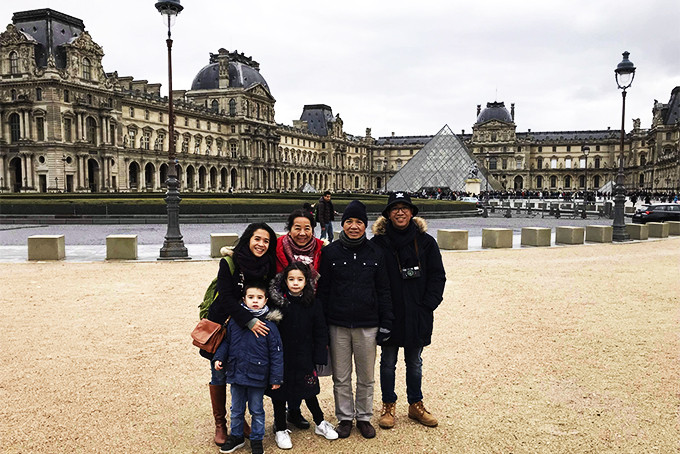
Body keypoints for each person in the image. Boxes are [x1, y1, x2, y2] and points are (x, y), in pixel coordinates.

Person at [316, 200, 393, 439]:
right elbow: (323, 292)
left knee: (366, 376)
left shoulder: (376, 252)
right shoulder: (330, 252)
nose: (354, 226)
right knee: (341, 376)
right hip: (337, 323)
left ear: (365, 225)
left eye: (359, 222)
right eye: (349, 221)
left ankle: (364, 417)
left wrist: (386, 322)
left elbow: (384, 290)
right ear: (342, 224)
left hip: (367, 323)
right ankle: (345, 418)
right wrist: (322, 325)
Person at [371, 192, 446, 429]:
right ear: (388, 214)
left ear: (412, 212)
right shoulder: (377, 244)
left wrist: (428, 305)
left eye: (405, 207)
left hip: (417, 312)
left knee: (414, 362)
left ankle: (415, 404)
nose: (400, 212)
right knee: (388, 362)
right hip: (389, 314)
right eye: (395, 208)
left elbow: (437, 276)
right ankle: (388, 405)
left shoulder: (426, 242)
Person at [204, 223, 278, 447]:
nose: (261, 244)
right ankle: (220, 423)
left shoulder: (268, 265)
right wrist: (249, 320)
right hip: (226, 324)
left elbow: (270, 296)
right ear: (248, 239)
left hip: (252, 327)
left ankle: (241, 419)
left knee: (245, 373)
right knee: (219, 373)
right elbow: (225, 297)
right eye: (257, 239)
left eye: (266, 241)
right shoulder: (230, 262)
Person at [267, 262, 338, 449]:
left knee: (310, 391)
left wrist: (320, 356)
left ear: (307, 282)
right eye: (291, 279)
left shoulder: (314, 303)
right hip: (281, 357)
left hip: (305, 355)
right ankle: (280, 428)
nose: (295, 283)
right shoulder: (277, 303)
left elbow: (320, 330)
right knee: (279, 393)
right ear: (285, 281)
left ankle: (320, 422)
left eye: (300, 279)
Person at [213, 281, 284, 454]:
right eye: (250, 297)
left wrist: (276, 378)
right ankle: (236, 436)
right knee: (236, 409)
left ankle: (257, 439)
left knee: (257, 410)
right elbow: (226, 342)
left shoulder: (270, 326)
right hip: (236, 373)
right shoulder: (235, 322)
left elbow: (276, 353)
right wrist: (219, 358)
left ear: (265, 300)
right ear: (244, 300)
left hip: (257, 374)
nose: (254, 301)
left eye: (259, 298)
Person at [276, 209, 324, 275]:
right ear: (289, 231)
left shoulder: (322, 250)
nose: (302, 233)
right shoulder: (276, 247)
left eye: (307, 229)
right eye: (297, 228)